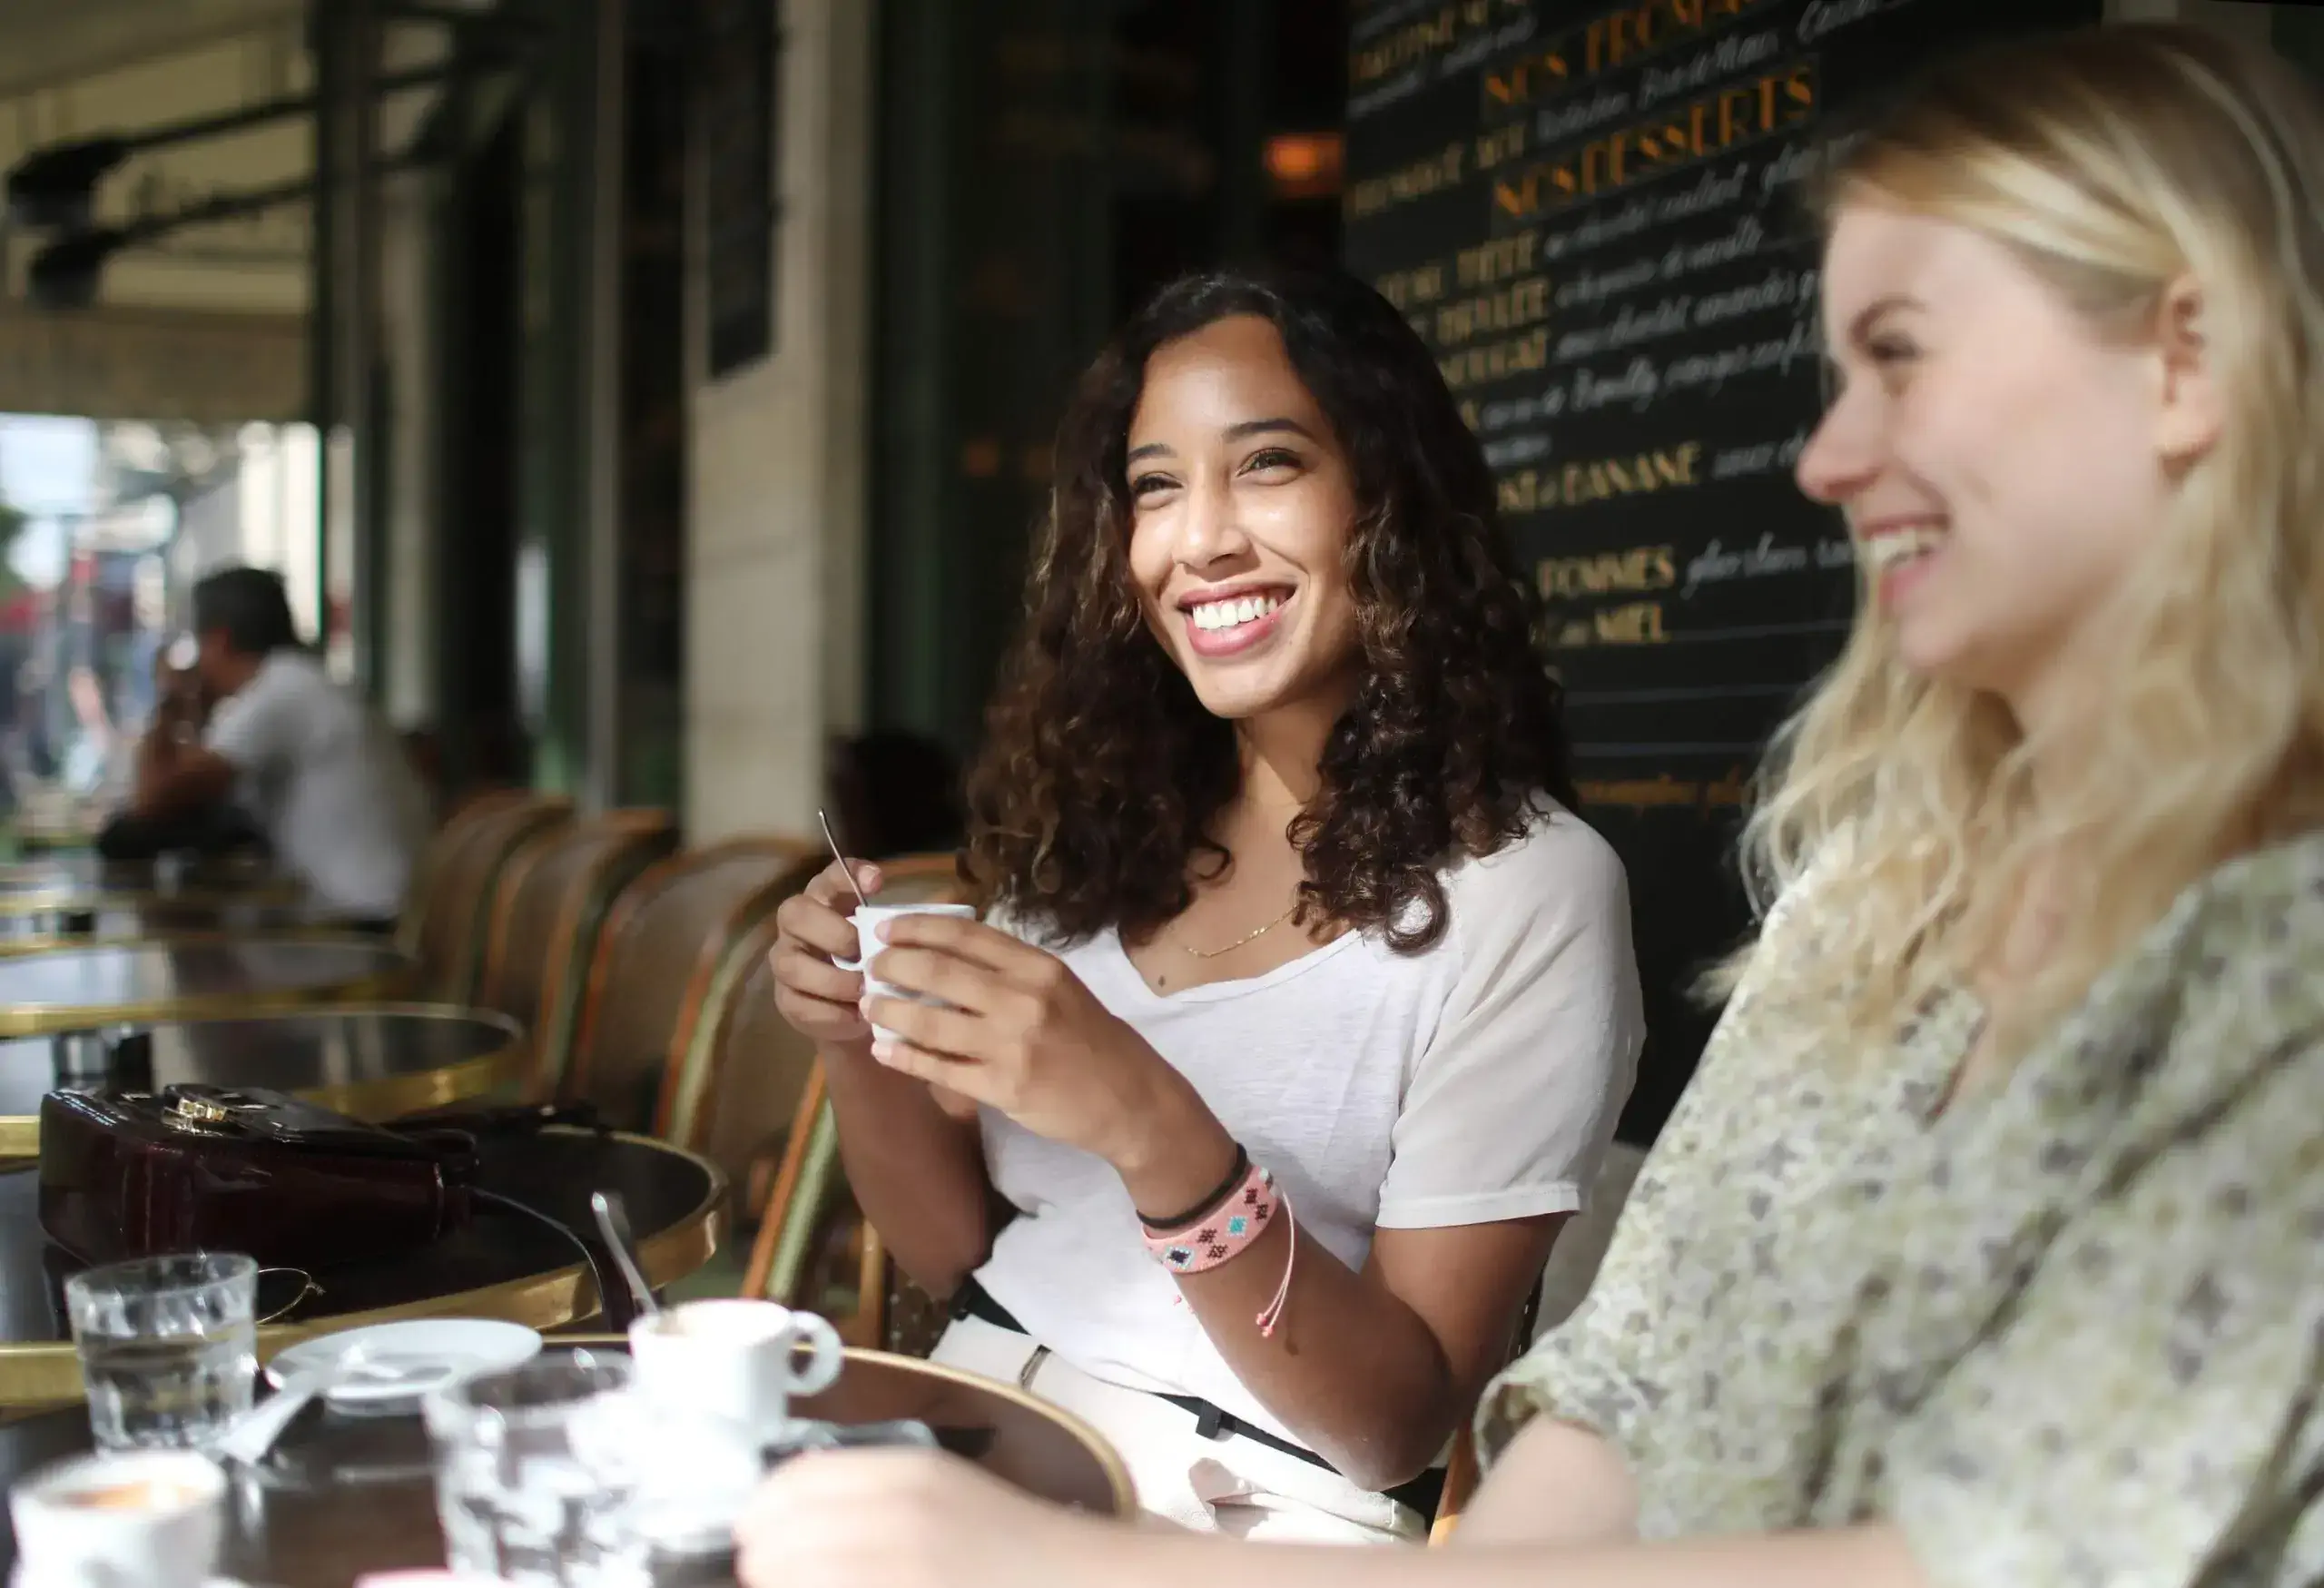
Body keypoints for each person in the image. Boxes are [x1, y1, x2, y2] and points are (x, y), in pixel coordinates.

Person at [734, 23, 2324, 1587]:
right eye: (1153, 487)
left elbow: (2008, 1551)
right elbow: (1604, 1420)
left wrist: (1079, 1537)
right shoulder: (1868, 900)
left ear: (2186, 359)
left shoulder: (2276, 956)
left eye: (1899, 355)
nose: (1829, 456)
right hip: (999, 1424)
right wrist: (855, 1037)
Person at [767, 265, 1643, 1541]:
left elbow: (1395, 1422)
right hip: (963, 1435)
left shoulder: (1530, 890)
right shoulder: (1105, 832)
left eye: (1269, 464)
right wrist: (853, 1035)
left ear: (1388, 502)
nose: (1201, 539)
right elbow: (957, 1251)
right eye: (1157, 486)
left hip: (1247, 1518)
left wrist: (1150, 1124)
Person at [130, 567, 427, 926]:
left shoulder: (280, 693)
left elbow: (151, 801)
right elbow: (192, 783)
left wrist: (170, 701)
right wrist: (193, 711)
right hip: (384, 910)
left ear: (220, 640)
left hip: (369, 923)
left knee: (201, 948)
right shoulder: (298, 680)